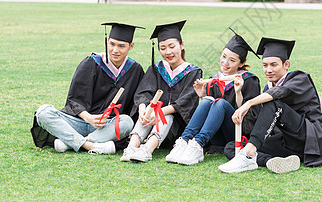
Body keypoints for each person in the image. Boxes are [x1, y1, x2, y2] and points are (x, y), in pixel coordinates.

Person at [219, 37, 322, 174]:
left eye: (273, 65)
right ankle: (268, 161)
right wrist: (239, 95)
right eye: (265, 65)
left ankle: (249, 154)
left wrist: (249, 103)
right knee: (232, 147)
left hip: (309, 137)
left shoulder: (299, 78)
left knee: (273, 102)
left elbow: (280, 93)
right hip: (286, 141)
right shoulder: (267, 89)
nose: (268, 70)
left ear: (286, 64)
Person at [31, 23, 145, 154]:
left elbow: (135, 105)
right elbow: (73, 100)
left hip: (106, 127)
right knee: (43, 112)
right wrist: (89, 118)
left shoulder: (135, 70)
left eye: (121, 46)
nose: (115, 50)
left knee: (126, 122)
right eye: (112, 44)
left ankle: (70, 143)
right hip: (78, 122)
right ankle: (89, 145)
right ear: (107, 41)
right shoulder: (91, 62)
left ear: (131, 46)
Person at [165, 28, 261, 166]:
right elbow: (209, 115)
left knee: (220, 103)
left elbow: (250, 117)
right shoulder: (214, 79)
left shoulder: (249, 80)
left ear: (241, 63)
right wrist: (202, 95)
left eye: (232, 60)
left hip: (236, 134)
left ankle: (198, 145)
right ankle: (184, 141)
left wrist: (238, 92)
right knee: (208, 100)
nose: (225, 63)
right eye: (223, 56)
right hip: (215, 135)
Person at [120, 20, 202, 162]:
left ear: (181, 45)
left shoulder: (193, 72)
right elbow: (143, 92)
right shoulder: (156, 69)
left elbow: (186, 102)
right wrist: (143, 110)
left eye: (172, 46)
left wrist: (160, 113)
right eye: (162, 48)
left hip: (176, 129)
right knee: (145, 115)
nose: (168, 52)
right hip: (151, 121)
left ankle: (147, 150)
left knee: (166, 117)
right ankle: (131, 147)